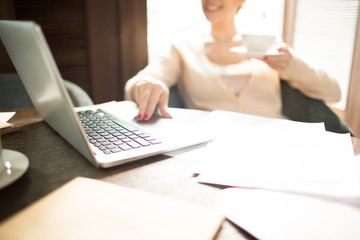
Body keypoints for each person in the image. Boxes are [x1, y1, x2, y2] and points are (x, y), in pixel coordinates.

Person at [125, 0, 341, 121]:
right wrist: (145, 85)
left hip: (276, 145)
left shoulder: (265, 45)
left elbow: (333, 92)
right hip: (212, 152)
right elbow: (139, 82)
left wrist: (291, 64)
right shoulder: (184, 48)